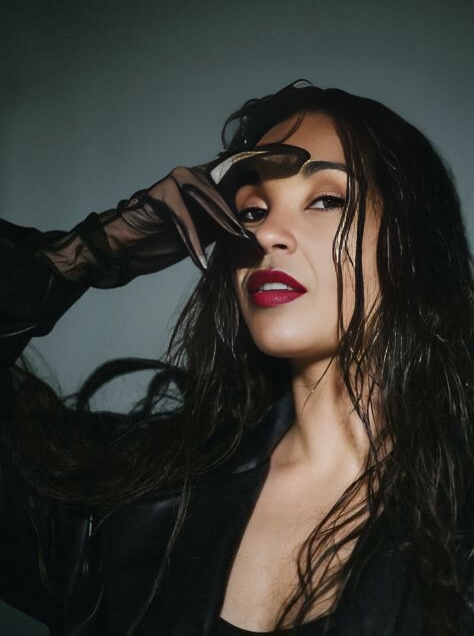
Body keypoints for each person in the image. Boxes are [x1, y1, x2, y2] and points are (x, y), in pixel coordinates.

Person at [0, 80, 472, 636]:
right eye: (250, 211)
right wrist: (83, 254)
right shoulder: (133, 495)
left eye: (327, 200)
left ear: (413, 244)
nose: (267, 233)